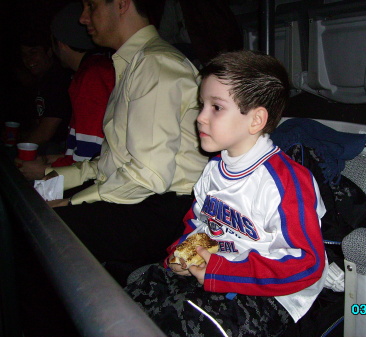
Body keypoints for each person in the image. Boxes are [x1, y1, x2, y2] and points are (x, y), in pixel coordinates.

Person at [125, 50, 328, 337]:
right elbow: (200, 225)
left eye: (216, 107)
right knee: (140, 292)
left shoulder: (286, 182)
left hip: (276, 293)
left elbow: (306, 262)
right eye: (201, 105)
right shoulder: (215, 168)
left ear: (255, 120)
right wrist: (184, 255)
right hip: (219, 268)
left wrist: (221, 272)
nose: (201, 118)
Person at [43, 0, 208, 283]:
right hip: (144, 198)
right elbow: (112, 163)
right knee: (36, 211)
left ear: (121, 5)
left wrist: (73, 202)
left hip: (167, 211)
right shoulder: (135, 63)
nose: (83, 18)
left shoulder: (155, 64)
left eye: (91, 6)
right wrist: (52, 177)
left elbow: (149, 175)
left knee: (41, 235)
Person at [17, 2, 115, 181]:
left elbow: (90, 155)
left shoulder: (92, 75)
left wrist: (46, 171)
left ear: (59, 44)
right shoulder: (92, 69)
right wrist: (53, 160)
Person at [19, 28, 72, 155]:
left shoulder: (58, 80)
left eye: (33, 52)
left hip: (61, 150)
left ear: (48, 52)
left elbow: (45, 132)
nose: (28, 59)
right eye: (24, 55)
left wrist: (19, 151)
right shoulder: (40, 83)